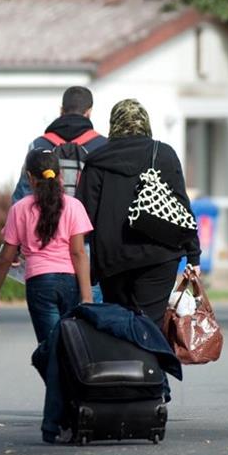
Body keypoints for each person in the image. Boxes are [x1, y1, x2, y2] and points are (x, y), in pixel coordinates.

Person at [76, 98, 201, 329]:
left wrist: (84, 265)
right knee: (150, 327)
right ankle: (154, 364)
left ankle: (124, 363)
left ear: (114, 124)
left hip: (112, 261)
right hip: (159, 256)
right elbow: (182, 206)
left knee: (120, 326)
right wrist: (193, 256)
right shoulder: (163, 154)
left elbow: (83, 215)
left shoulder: (96, 160)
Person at [11, 86, 106, 303]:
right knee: (89, 324)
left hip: (43, 250)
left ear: (61, 110)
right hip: (88, 248)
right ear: (89, 112)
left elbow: (23, 195)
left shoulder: (39, 145)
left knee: (52, 326)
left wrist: (15, 245)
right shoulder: (103, 146)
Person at [0, 149, 93, 345]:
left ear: (29, 177)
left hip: (39, 284)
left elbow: (5, 257)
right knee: (70, 345)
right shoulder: (74, 206)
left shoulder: (19, 209)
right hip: (70, 283)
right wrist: (87, 297)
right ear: (59, 174)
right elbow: (78, 253)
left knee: (50, 348)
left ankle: (56, 376)